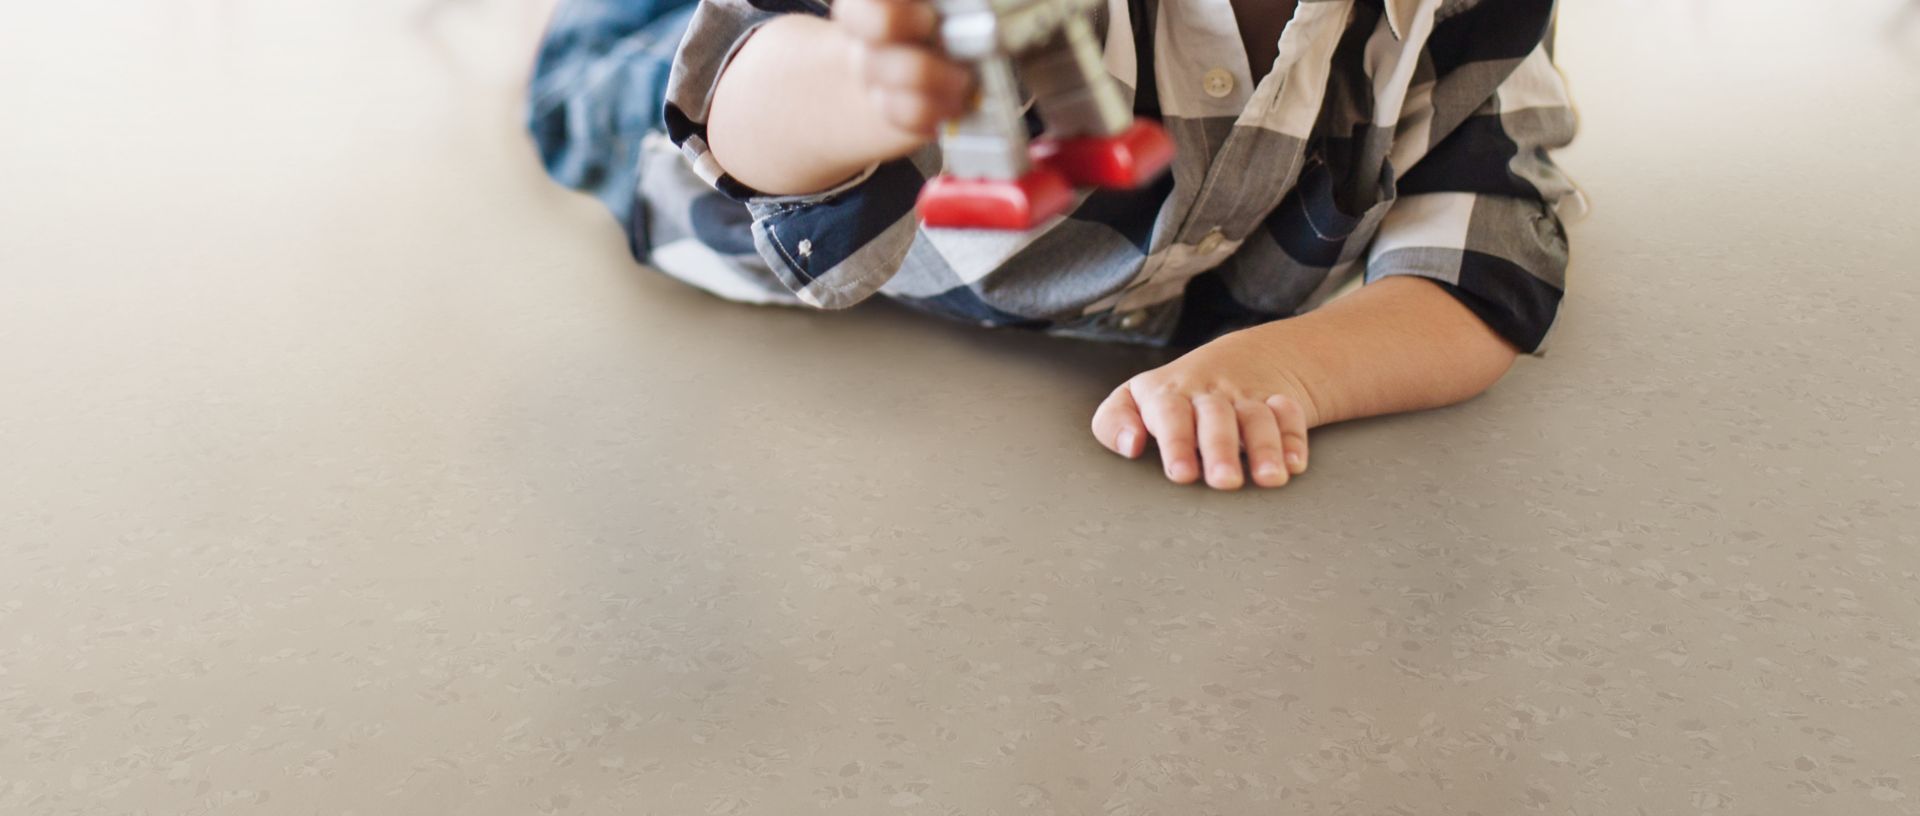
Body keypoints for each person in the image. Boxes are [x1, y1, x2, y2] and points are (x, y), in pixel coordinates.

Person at [529, 0, 1581, 490]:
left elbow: (1487, 260)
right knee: (598, 82)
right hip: (718, 127)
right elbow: (738, 110)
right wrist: (867, 85)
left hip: (1102, 242)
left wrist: (1289, 368)